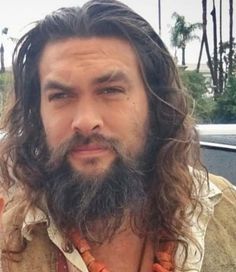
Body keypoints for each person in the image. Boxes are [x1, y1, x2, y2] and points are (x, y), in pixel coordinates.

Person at [0, 1, 235, 271]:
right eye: (61, 95)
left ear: (154, 103)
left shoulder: (226, 213)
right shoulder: (9, 244)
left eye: (110, 90)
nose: (86, 121)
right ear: (37, 114)